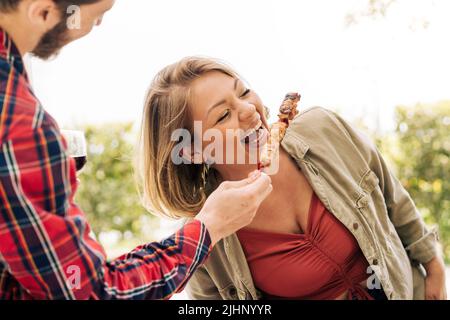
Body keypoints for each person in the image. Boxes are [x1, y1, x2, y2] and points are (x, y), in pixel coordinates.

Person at [0, 0, 272, 300]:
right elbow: (92, 293)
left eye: (243, 91)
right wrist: (207, 229)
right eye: (97, 15)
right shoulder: (18, 121)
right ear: (42, 11)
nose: (97, 25)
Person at [139, 56, 447, 300]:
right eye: (223, 115)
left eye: (243, 92)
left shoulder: (324, 129)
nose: (249, 110)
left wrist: (434, 267)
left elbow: (393, 199)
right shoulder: (207, 241)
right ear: (191, 150)